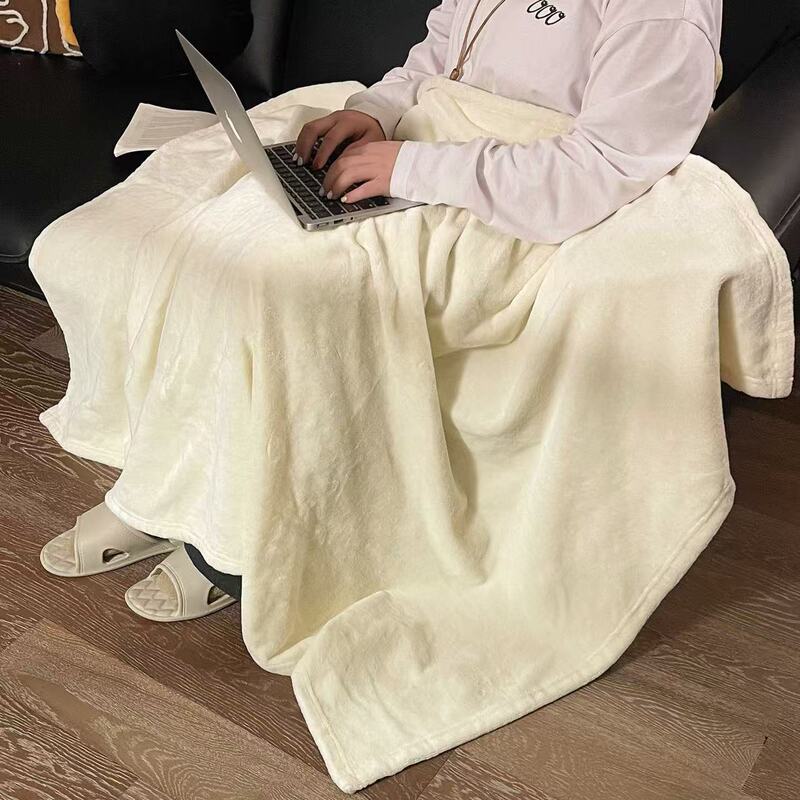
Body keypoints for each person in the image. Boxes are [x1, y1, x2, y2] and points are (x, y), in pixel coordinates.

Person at [39, 0, 722, 621]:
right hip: (421, 152)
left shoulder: (666, 9)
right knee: (211, 238)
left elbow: (601, 168)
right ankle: (164, 483)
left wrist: (413, 169)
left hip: (513, 203)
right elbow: (438, 58)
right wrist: (377, 113)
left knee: (284, 289)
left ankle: (235, 544)